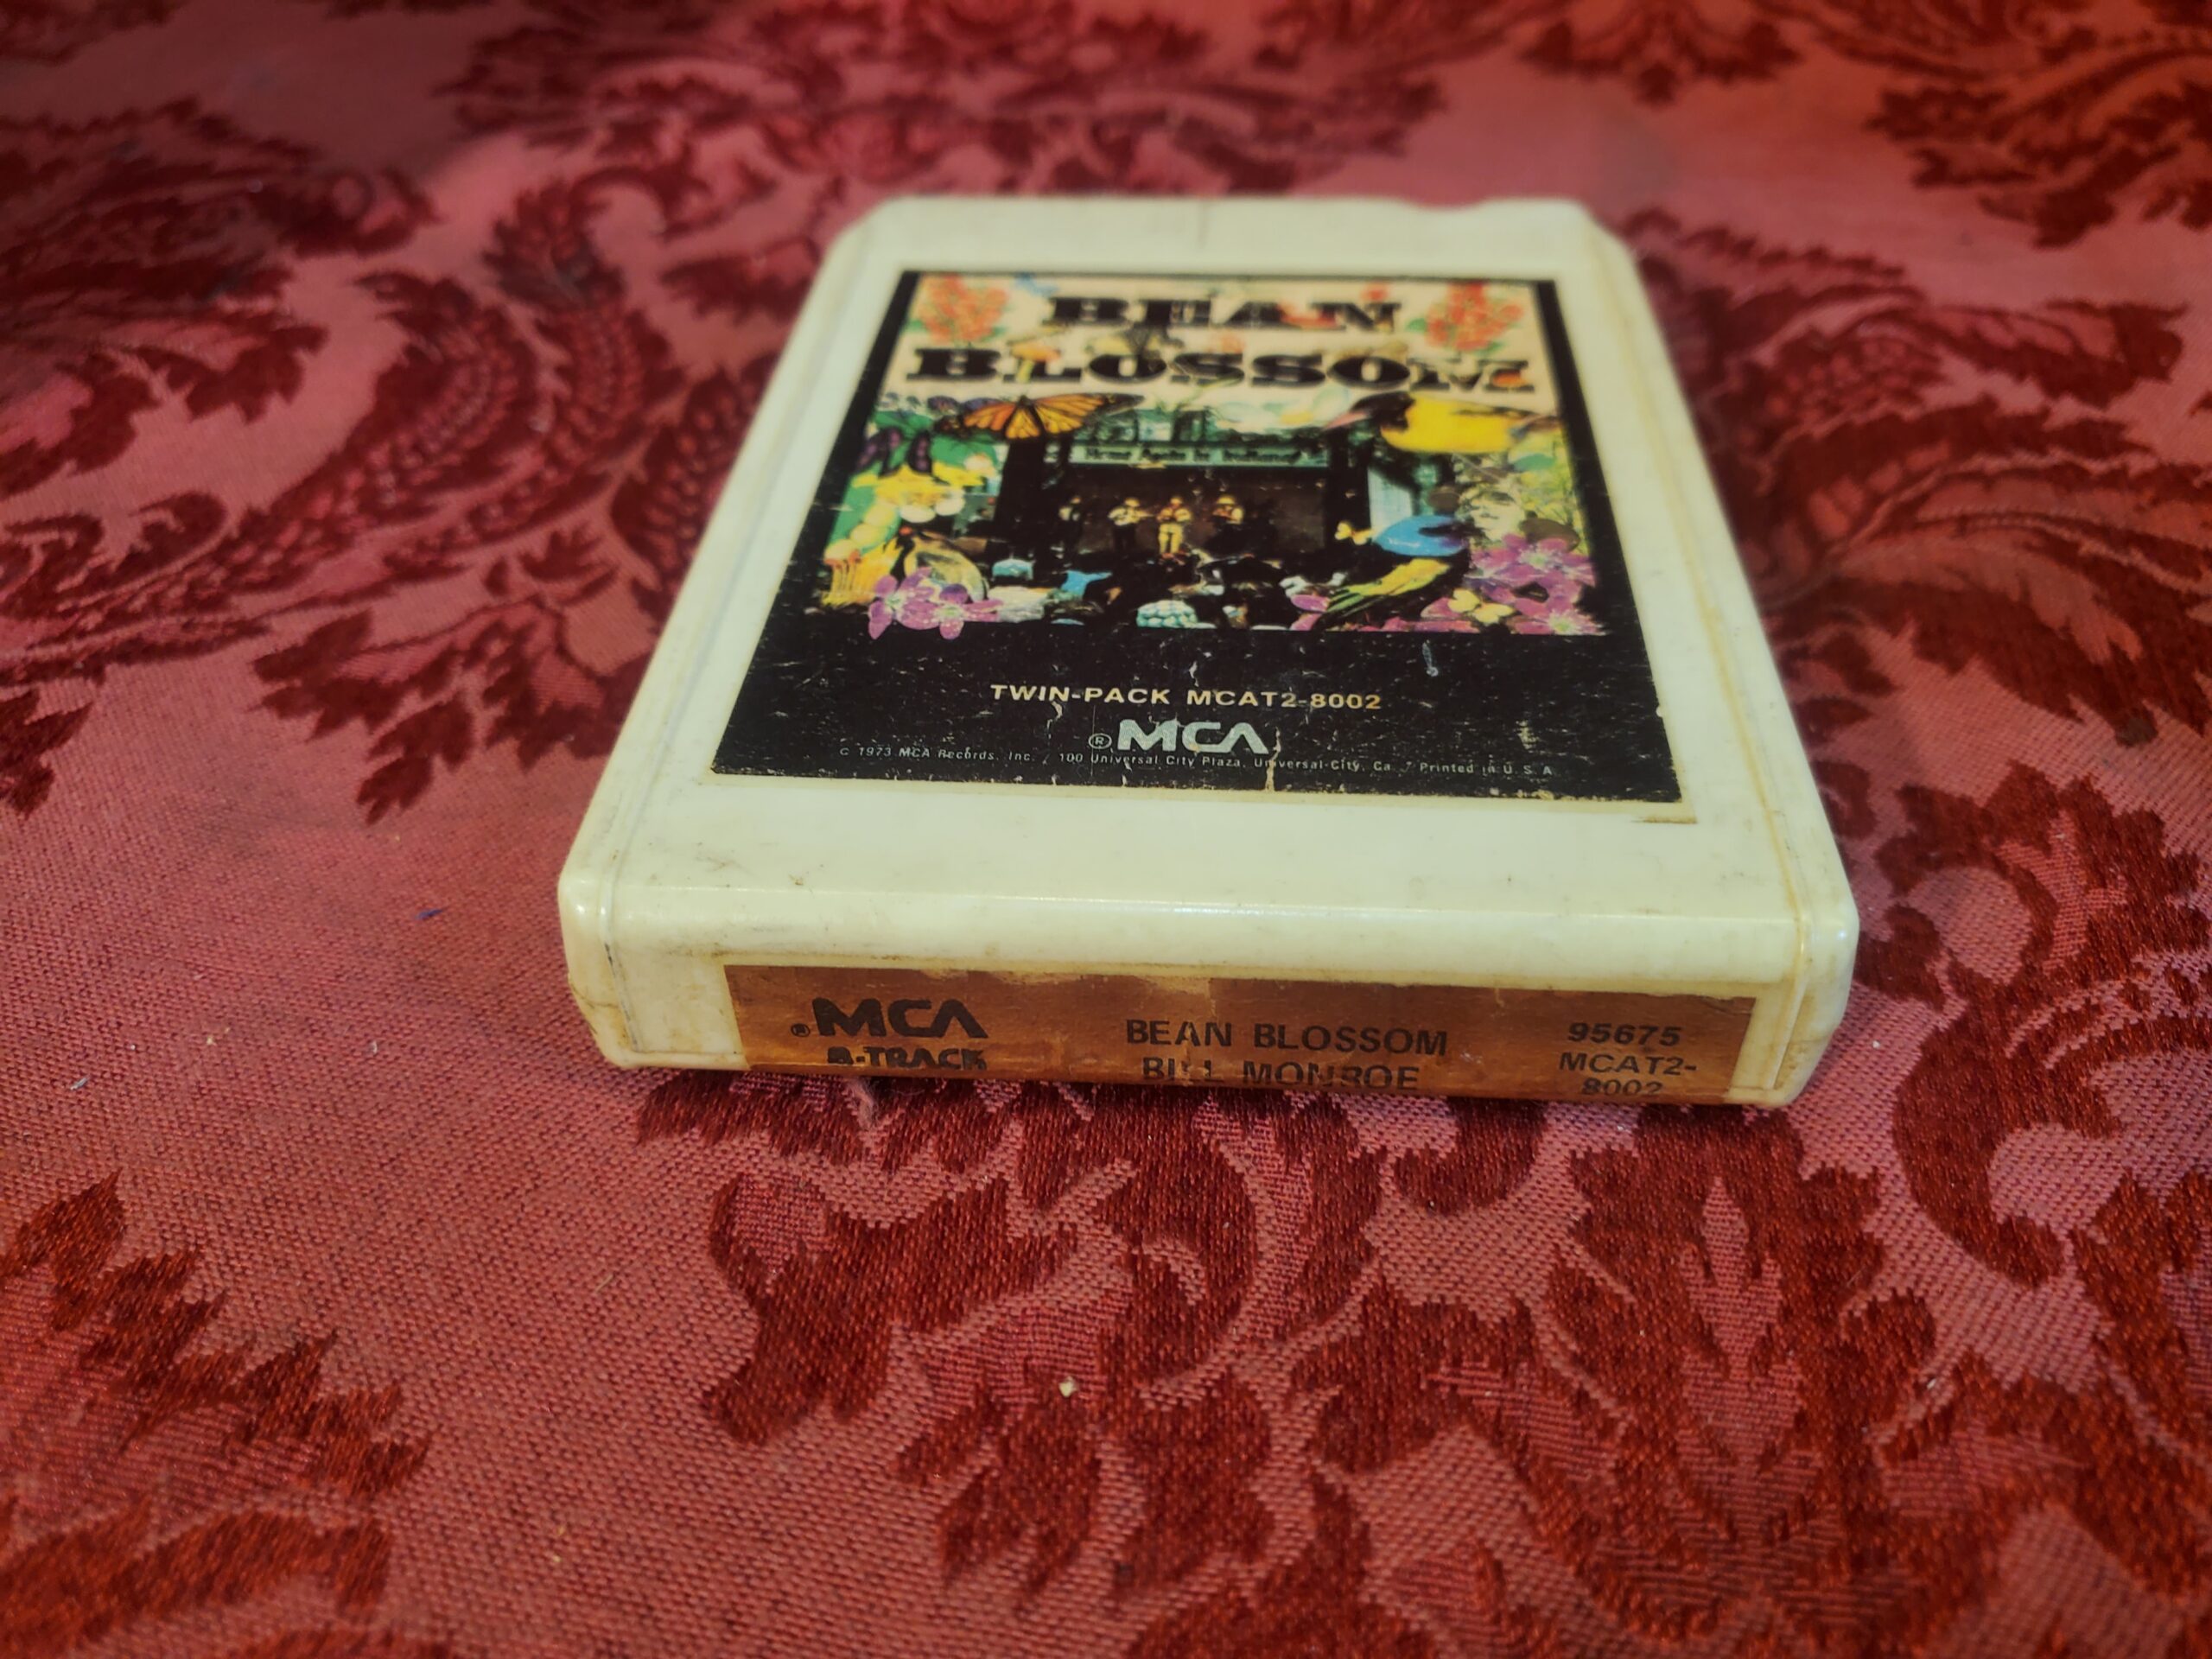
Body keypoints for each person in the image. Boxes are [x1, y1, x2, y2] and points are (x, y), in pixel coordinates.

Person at [1108, 497, 1148, 563]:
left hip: (1127, 527)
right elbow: (1110, 516)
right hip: (1120, 527)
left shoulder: (1133, 510)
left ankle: (1127, 556)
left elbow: (1137, 518)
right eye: (1135, 504)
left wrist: (1138, 519)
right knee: (1121, 543)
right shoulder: (1120, 509)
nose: (1137, 505)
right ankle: (1121, 557)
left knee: (1128, 542)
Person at [1156, 496, 1192, 561]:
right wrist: (1164, 518)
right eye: (1173, 503)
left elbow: (1188, 518)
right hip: (1165, 529)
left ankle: (1174, 558)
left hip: (1176, 529)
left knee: (1175, 544)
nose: (1175, 505)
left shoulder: (1184, 511)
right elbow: (1159, 518)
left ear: (1180, 504)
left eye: (1177, 503)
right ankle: (1161, 557)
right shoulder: (1166, 510)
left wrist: (1177, 518)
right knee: (1163, 542)